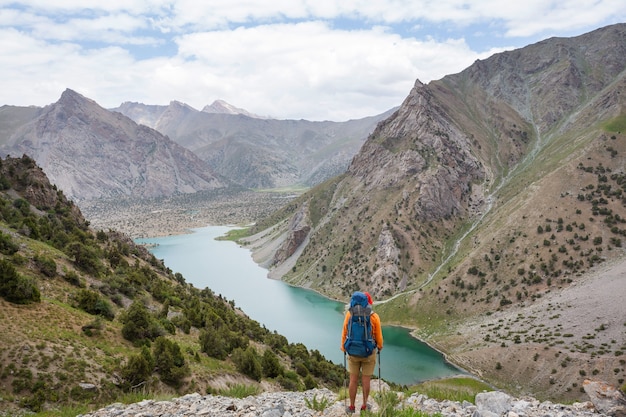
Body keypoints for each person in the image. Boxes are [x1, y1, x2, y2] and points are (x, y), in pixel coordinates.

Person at [341, 291, 383, 413]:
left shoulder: (350, 315)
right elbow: (378, 336)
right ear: (368, 303)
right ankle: (364, 406)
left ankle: (352, 406)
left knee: (353, 380)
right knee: (366, 380)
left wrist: (343, 347)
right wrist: (379, 346)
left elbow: (345, 332)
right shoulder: (374, 316)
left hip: (352, 352)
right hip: (368, 353)